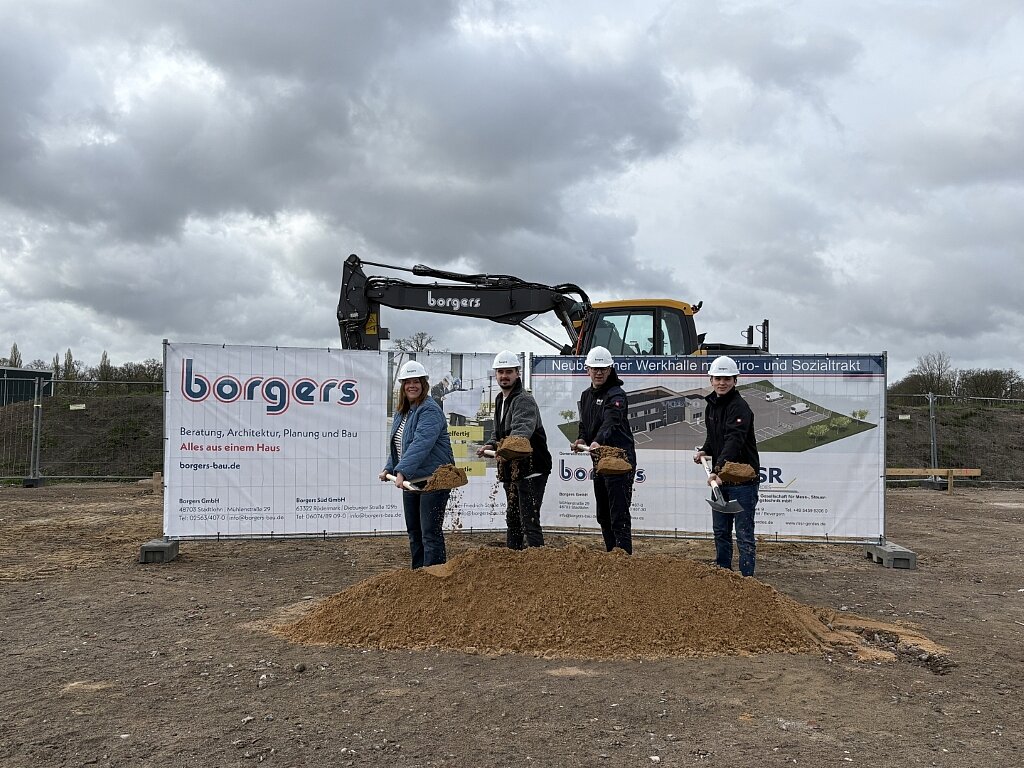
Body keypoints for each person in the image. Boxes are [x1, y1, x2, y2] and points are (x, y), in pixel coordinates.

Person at [380, 360, 455, 569]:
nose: (412, 386)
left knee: (430, 533)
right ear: (403, 386)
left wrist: (402, 471)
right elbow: (401, 444)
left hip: (434, 479)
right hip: (413, 480)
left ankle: (435, 578)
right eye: (407, 382)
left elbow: (421, 444)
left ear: (424, 384)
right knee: (414, 532)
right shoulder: (404, 410)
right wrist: (390, 467)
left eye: (416, 382)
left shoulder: (429, 410)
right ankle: (417, 578)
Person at [693, 355, 761, 576]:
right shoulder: (711, 406)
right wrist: (705, 449)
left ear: (735, 380)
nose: (722, 383)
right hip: (720, 480)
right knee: (720, 531)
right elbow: (715, 437)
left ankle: (747, 580)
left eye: (727, 378)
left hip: (742, 482)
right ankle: (723, 574)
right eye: (718, 378)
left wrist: (717, 471)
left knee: (743, 533)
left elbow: (734, 440)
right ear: (711, 379)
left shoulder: (740, 408)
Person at [477, 350, 552, 549]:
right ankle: (514, 564)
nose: (504, 376)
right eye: (500, 372)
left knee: (529, 521)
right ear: (495, 375)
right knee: (513, 520)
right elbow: (499, 432)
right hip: (513, 468)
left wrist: (502, 450)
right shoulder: (500, 400)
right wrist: (491, 445)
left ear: (517, 373)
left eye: (508, 371)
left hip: (532, 468)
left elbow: (520, 435)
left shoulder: (524, 400)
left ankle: (537, 565)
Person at [571, 346, 636, 554]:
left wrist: (598, 441)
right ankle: (611, 554)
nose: (599, 373)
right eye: (595, 368)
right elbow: (585, 424)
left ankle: (623, 558)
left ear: (610, 369)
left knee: (619, 514)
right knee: (603, 514)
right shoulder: (586, 395)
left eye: (603, 369)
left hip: (619, 461)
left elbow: (611, 421)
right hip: (599, 462)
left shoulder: (617, 395)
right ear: (587, 369)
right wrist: (581, 438)